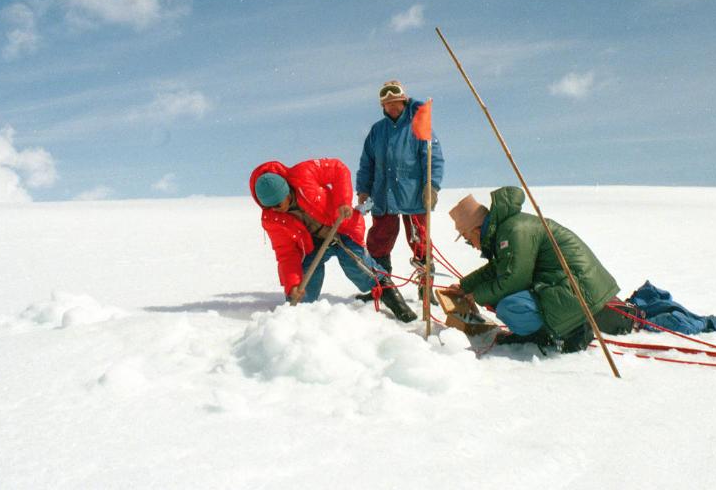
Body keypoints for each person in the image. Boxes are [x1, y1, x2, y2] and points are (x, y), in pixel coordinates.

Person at [446, 187, 620, 352]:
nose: (473, 246)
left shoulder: (513, 230)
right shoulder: (507, 228)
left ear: (477, 230)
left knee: (509, 307)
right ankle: (551, 328)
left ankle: (558, 332)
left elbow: (514, 280)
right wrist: (465, 286)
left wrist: (475, 295)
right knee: (498, 296)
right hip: (573, 286)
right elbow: (498, 268)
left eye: (469, 240)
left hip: (579, 292)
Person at [249, 158, 417, 322]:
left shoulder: (304, 173)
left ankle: (398, 305)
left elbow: (339, 169)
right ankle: (300, 323)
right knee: (303, 289)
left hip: (341, 228)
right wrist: (292, 285)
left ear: (286, 191)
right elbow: (286, 253)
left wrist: (342, 202)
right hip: (313, 244)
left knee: (359, 268)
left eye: (278, 205)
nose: (275, 210)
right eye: (268, 207)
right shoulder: (272, 219)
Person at [356, 80, 444, 299]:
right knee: (378, 242)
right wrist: (363, 191)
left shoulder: (418, 125)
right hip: (383, 196)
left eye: (396, 102)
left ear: (404, 101)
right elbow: (366, 163)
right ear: (382, 107)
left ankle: (426, 291)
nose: (392, 107)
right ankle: (381, 287)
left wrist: (431, 186)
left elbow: (434, 159)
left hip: (414, 196)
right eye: (388, 104)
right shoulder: (377, 130)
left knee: (420, 240)